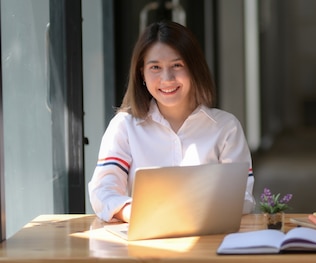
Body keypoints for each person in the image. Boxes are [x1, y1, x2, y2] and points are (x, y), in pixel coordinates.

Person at [88, 20, 255, 222]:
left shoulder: (226, 128)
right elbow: (103, 192)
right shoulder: (124, 127)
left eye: (177, 65)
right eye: (155, 67)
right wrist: (138, 214)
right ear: (142, 73)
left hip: (209, 243)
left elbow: (242, 197)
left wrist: (187, 212)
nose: (167, 78)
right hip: (143, 242)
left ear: (194, 68)